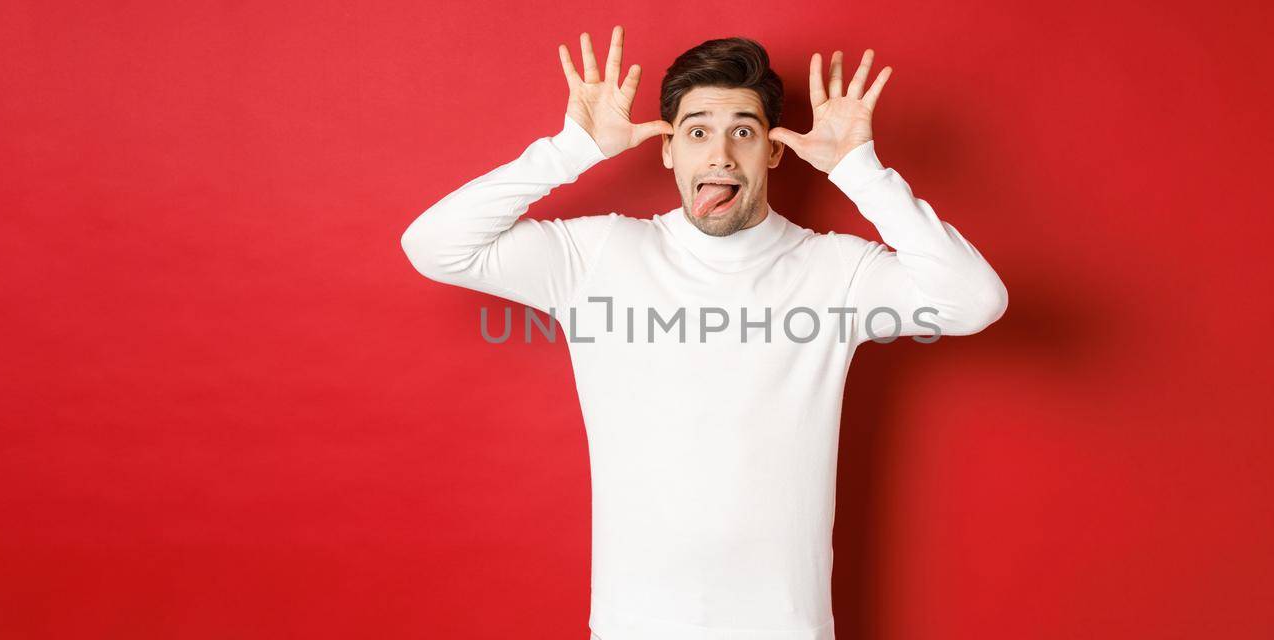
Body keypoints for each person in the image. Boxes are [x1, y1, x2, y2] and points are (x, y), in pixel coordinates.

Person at [400, 25, 1007, 640]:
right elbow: (434, 246)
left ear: (773, 150)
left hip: (787, 627)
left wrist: (860, 172)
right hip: (633, 624)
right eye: (697, 132)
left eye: (743, 131)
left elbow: (973, 302)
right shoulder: (597, 255)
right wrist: (568, 150)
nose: (720, 155)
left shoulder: (836, 271)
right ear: (668, 151)